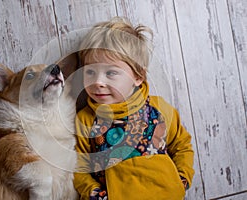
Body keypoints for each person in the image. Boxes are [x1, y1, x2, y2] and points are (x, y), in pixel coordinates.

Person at [73, 16, 194, 200]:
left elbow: (182, 146)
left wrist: (182, 179)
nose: (98, 82)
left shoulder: (159, 108)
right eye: (90, 72)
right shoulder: (86, 119)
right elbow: (78, 165)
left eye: (111, 73)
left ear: (138, 77)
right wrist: (94, 193)